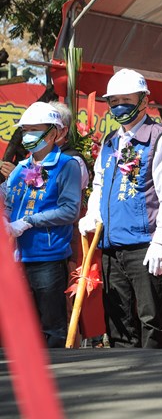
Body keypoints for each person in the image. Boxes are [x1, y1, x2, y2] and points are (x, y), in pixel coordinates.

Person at [78, 69, 162, 348]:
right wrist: (92, 214)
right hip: (111, 247)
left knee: (150, 320)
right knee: (118, 321)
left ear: (144, 100)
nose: (120, 105)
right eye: (114, 101)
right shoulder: (110, 142)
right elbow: (99, 185)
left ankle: (154, 378)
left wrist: (161, 242)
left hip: (145, 246)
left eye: (127, 98)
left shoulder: (160, 139)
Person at [3, 102, 82, 347]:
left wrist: (28, 221)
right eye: (25, 130)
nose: (28, 136)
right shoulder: (21, 168)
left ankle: (58, 376)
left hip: (48, 256)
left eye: (35, 130)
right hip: (19, 257)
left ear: (54, 132)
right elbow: (8, 200)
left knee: (52, 326)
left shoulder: (67, 165)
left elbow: (70, 210)